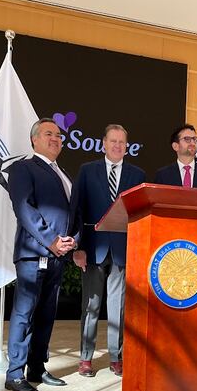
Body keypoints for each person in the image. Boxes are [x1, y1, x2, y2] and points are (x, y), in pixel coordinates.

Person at [4, 118, 80, 391]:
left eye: (59, 135)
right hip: (33, 253)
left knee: (47, 314)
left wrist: (74, 240)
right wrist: (51, 240)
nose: (56, 138)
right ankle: (14, 374)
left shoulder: (65, 174)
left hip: (58, 256)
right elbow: (23, 208)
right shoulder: (23, 168)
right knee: (24, 314)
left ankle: (36, 367)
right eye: (49, 134)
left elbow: (75, 215)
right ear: (34, 139)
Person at [71, 124, 146, 378]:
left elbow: (140, 215)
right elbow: (77, 211)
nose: (117, 146)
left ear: (127, 146)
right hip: (92, 249)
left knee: (118, 307)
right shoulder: (87, 171)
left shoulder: (137, 175)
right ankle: (85, 358)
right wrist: (77, 246)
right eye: (113, 141)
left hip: (123, 250)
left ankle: (116, 356)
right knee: (90, 306)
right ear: (103, 143)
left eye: (122, 142)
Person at [153, 123, 197, 384]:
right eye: (187, 139)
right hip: (170, 252)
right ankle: (169, 361)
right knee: (171, 309)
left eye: (195, 139)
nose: (192, 143)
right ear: (175, 146)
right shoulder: (162, 175)